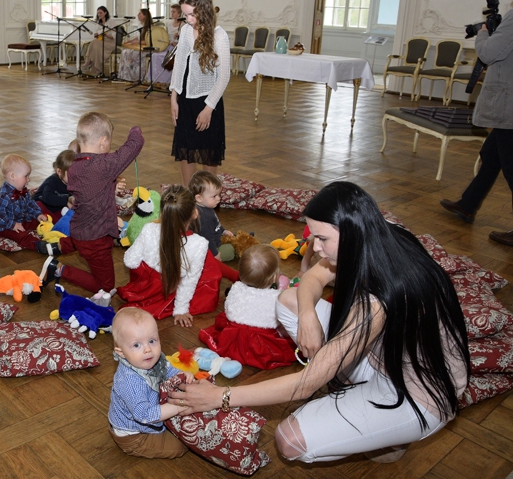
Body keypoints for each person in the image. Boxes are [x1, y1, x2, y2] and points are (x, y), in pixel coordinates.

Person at [167, 181, 470, 464]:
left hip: (419, 393)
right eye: (312, 236)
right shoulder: (376, 232)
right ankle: (355, 394)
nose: (315, 246)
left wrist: (220, 397)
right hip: (388, 355)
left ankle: (389, 434)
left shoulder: (375, 301)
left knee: (289, 440)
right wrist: (309, 316)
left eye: (322, 238)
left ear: (350, 232)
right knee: (290, 300)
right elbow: (314, 276)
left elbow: (307, 384)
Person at [39, 113, 144, 296]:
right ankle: (58, 269)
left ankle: (60, 246)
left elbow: (94, 188)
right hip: (95, 238)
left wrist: (111, 184)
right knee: (106, 287)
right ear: (103, 142)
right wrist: (135, 131)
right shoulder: (103, 166)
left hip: (80, 228)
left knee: (83, 247)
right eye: (109, 142)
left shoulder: (75, 166)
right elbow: (133, 146)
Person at [440, 5, 513, 246]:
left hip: (508, 106)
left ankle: (468, 205)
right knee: (491, 156)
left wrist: (483, 32)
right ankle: (468, 205)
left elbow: (489, 53)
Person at [118, 185, 222, 327]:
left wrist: (147, 274)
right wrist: (180, 309)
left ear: (162, 213)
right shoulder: (200, 243)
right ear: (195, 213)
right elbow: (189, 281)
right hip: (171, 290)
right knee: (212, 269)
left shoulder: (149, 229)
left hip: (146, 291)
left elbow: (130, 261)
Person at [108, 307, 190, 459]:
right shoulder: (129, 381)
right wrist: (178, 407)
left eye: (152, 341)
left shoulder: (154, 359)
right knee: (182, 446)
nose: (148, 349)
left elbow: (169, 370)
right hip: (135, 435)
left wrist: (183, 375)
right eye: (137, 345)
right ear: (121, 352)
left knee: (186, 429)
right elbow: (144, 415)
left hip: (152, 412)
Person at [170, 0, 230, 187]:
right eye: (185, 14)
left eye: (191, 14)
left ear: (203, 10)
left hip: (208, 101)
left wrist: (208, 108)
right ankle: (188, 196)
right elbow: (179, 64)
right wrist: (173, 98)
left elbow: (223, 77)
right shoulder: (186, 30)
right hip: (187, 97)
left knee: (208, 151)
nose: (188, 19)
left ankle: (207, 197)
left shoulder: (218, 36)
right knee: (186, 150)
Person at [0, 154, 51, 252]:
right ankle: (39, 246)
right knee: (21, 235)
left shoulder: (23, 190)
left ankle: (54, 231)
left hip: (20, 220)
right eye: (26, 176)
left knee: (39, 221)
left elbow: (30, 204)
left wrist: (38, 214)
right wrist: (12, 225)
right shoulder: (2, 195)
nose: (29, 179)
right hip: (4, 226)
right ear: (12, 176)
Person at [189, 170, 235, 262]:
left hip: (213, 241)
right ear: (199, 198)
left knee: (233, 237)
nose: (218, 198)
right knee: (232, 250)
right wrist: (215, 255)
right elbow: (207, 239)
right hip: (208, 250)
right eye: (214, 196)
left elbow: (215, 225)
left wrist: (223, 230)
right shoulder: (203, 217)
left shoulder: (206, 206)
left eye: (219, 195)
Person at [118, 9, 170, 82]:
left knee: (129, 53)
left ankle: (137, 76)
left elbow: (149, 41)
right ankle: (125, 75)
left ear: (145, 16)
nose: (137, 15)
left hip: (147, 48)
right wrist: (130, 41)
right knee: (124, 52)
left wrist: (138, 42)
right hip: (141, 47)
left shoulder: (150, 26)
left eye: (140, 14)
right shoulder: (140, 25)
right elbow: (138, 37)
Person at [33, 149, 76, 221]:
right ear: (59, 171)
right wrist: (66, 200)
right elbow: (47, 198)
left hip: (57, 209)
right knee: (38, 205)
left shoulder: (74, 182)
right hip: (42, 206)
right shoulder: (52, 181)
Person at [149, 4, 182, 85]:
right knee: (154, 56)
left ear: (179, 14)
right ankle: (155, 79)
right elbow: (165, 36)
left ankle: (167, 80)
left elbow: (185, 40)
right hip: (167, 46)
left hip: (175, 49)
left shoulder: (183, 24)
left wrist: (178, 40)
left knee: (165, 58)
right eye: (171, 12)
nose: (172, 13)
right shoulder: (168, 24)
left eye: (174, 12)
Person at [81, 6, 116, 77]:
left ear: (105, 13)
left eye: (101, 13)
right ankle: (94, 65)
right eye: (98, 13)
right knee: (95, 42)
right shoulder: (98, 22)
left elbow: (113, 36)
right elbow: (97, 34)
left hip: (110, 42)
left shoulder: (111, 22)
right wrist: (97, 35)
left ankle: (90, 61)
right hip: (100, 40)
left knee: (95, 42)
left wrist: (105, 35)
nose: (99, 14)